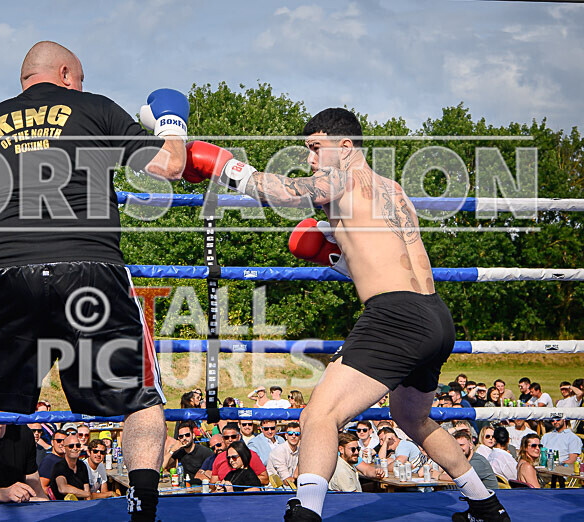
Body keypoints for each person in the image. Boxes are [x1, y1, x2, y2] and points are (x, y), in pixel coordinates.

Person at [183, 108, 509, 521]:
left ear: (346, 146)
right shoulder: (392, 190)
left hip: (396, 316)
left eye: (316, 148)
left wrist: (227, 168)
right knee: (411, 417)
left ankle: (305, 513)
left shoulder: (341, 179)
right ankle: (486, 505)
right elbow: (381, 258)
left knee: (318, 414)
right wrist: (334, 254)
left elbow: (285, 192)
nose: (311, 159)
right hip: (435, 315)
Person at [0, 40, 187, 522]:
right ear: (66, 72)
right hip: (89, 266)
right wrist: (172, 123)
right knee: (138, 397)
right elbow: (170, 166)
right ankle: (142, 510)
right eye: (80, 77)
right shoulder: (94, 109)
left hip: (11, 271)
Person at [164, 420, 213, 485]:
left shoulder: (205, 452)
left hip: (199, 487)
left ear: (193, 436)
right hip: (183, 486)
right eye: (181, 436)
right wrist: (172, 451)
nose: (184, 438)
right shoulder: (179, 452)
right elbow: (163, 466)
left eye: (187, 435)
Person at [49, 434, 90, 500]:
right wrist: (86, 494)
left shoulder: (82, 465)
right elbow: (63, 488)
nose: (75, 448)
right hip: (63, 507)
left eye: (78, 445)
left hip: (81, 506)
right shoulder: (59, 466)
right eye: (71, 446)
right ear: (64, 449)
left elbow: (86, 488)